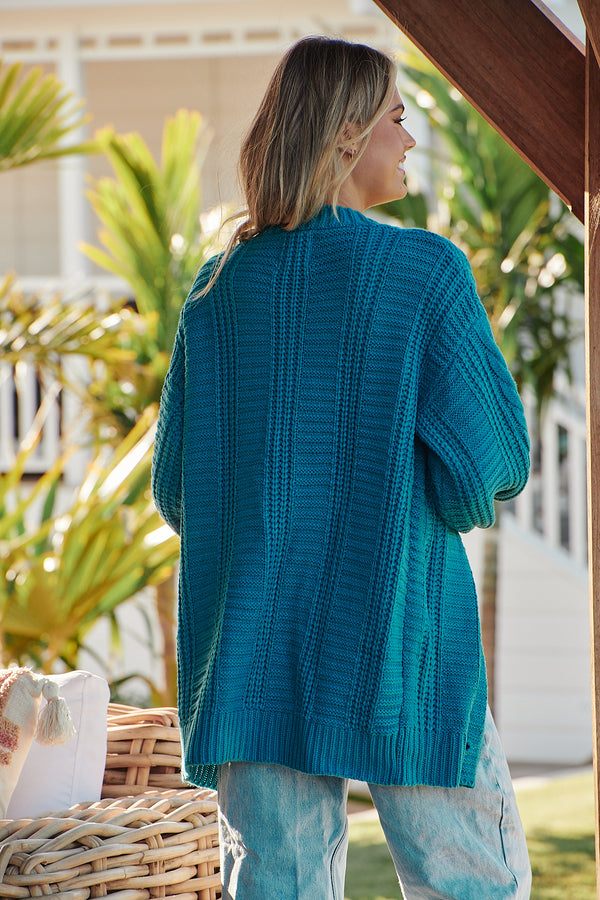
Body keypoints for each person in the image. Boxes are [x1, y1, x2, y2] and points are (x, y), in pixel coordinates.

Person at [152, 35, 532, 900]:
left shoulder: (216, 293)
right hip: (401, 638)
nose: (410, 138)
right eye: (397, 117)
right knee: (469, 885)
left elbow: (180, 492)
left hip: (252, 651)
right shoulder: (424, 275)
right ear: (347, 134)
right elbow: (490, 468)